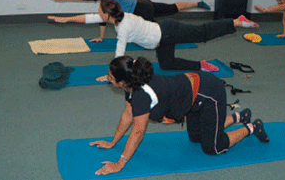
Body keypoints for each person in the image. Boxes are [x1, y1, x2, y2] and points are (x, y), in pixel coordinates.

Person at [90, 56, 269, 175]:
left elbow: (137, 132)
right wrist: (113, 142)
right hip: (190, 98)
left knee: (213, 147)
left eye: (110, 77)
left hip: (208, 93)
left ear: (122, 82)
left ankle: (252, 127)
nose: (108, 79)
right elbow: (128, 114)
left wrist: (119, 163)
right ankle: (239, 117)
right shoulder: (133, 84)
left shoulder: (141, 95)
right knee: (196, 137)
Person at [98, 0, 258, 72]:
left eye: (99, 11)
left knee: (202, 33)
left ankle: (236, 21)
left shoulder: (123, 27)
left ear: (107, 14)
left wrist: (112, 73)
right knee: (166, 64)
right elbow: (88, 17)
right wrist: (71, 19)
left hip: (167, 31)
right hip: (162, 37)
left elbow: (120, 52)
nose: (97, 14)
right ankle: (200, 65)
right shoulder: (120, 17)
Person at [48, 0, 211, 42]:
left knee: (158, 31)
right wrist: (101, 37)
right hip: (141, 3)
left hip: (141, 10)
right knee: (172, 8)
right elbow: (103, 18)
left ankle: (181, 33)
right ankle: (198, 3)